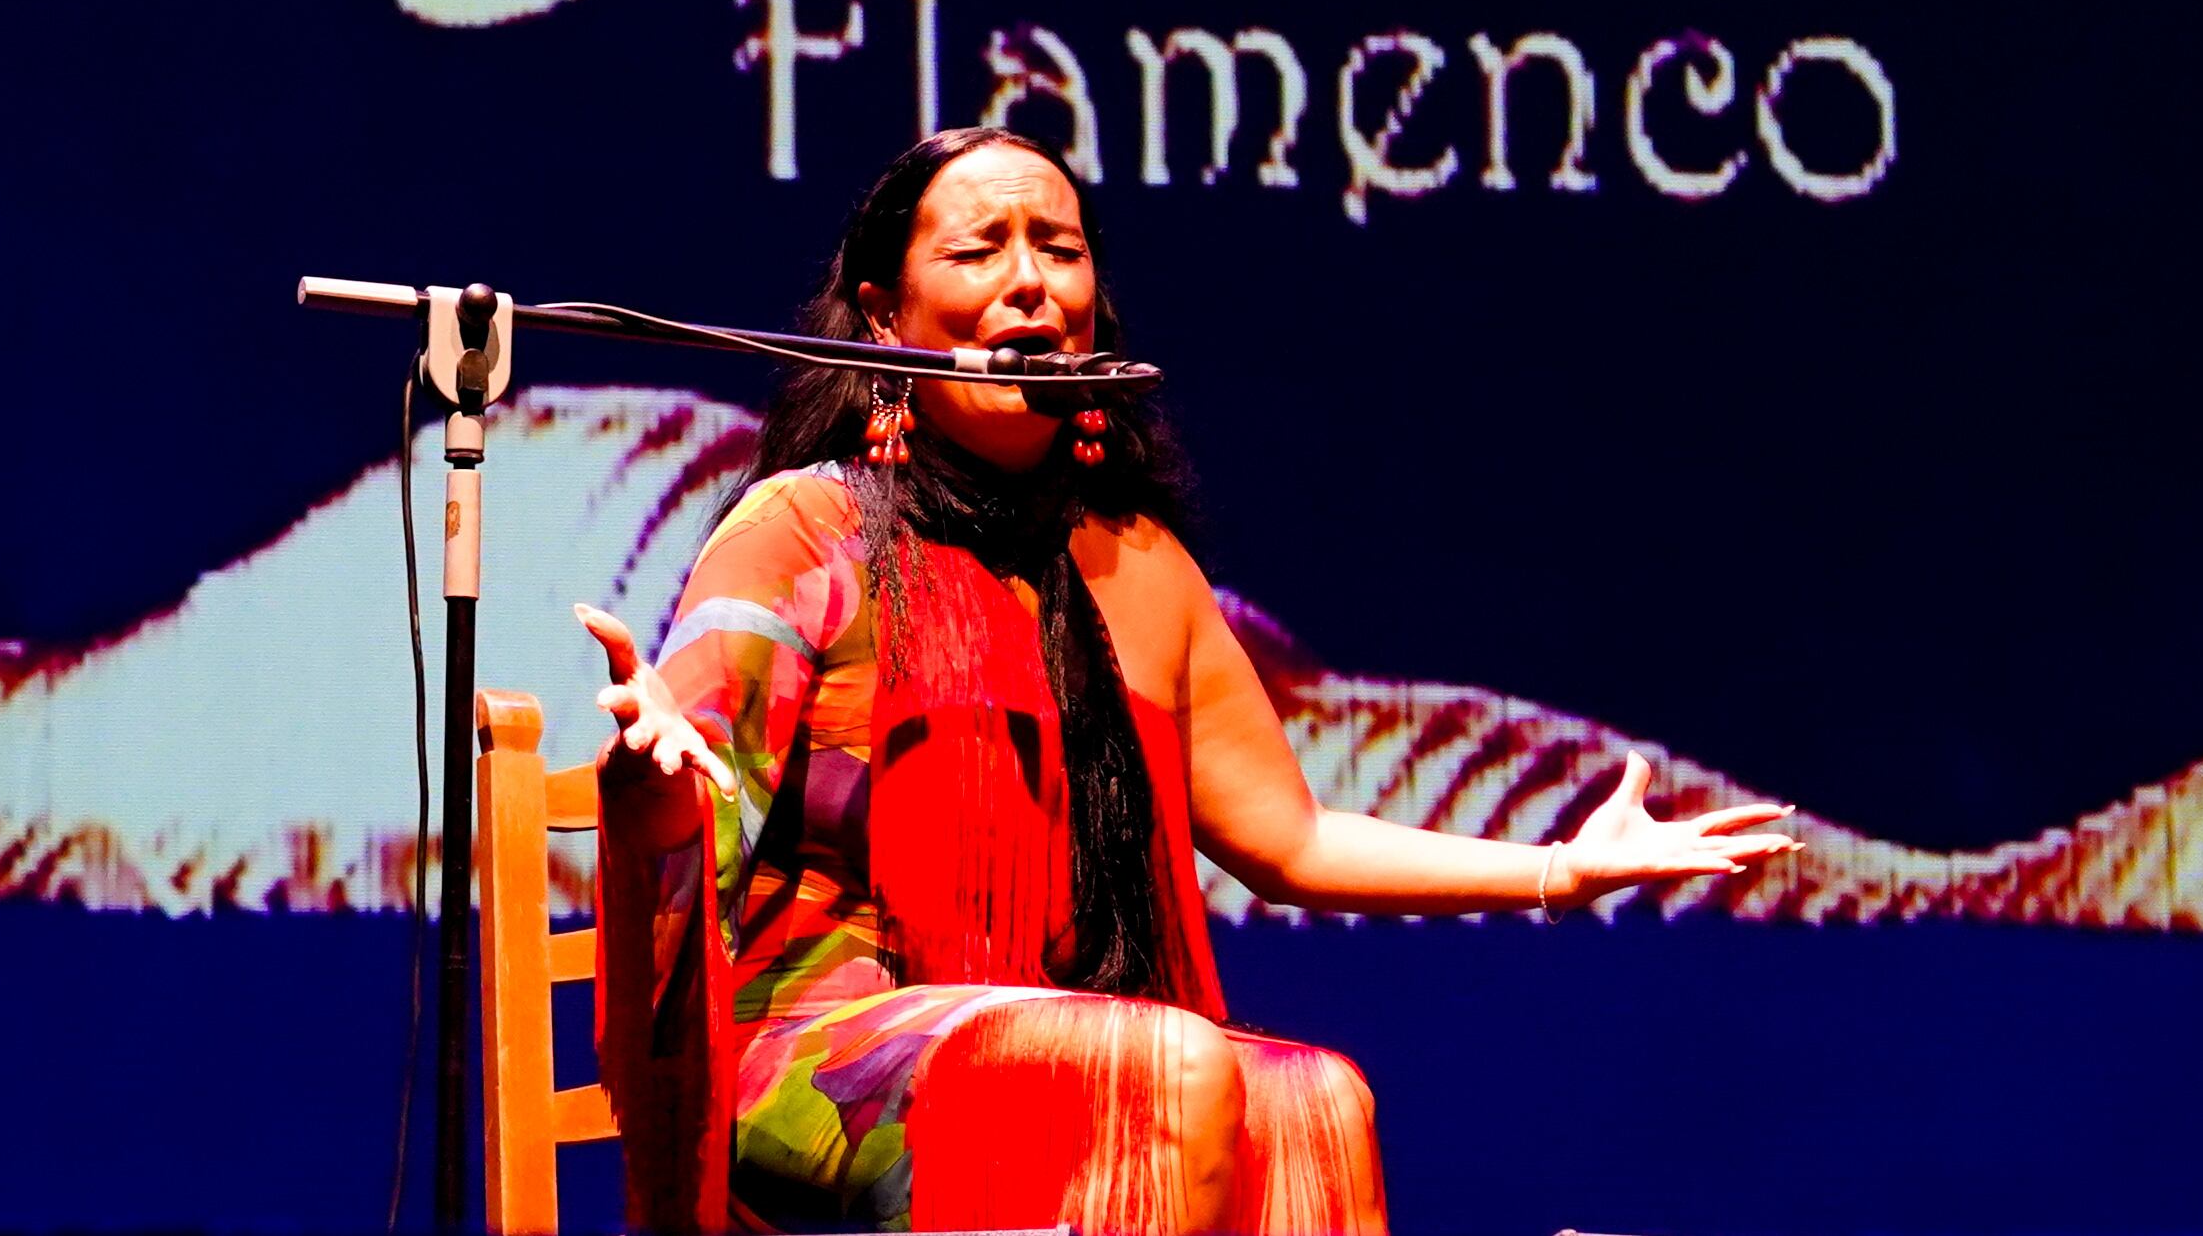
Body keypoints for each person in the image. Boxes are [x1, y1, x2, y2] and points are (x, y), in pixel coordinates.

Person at [577, 127, 1801, 1236]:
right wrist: (647, 780)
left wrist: (1554, 869)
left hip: (1066, 1038)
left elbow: (1293, 835)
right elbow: (685, 816)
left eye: (1057, 250)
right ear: (883, 317)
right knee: (1160, 1069)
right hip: (807, 1058)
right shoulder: (803, 527)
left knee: (1313, 1101)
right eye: (980, 249)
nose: (1028, 282)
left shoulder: (1140, 567)